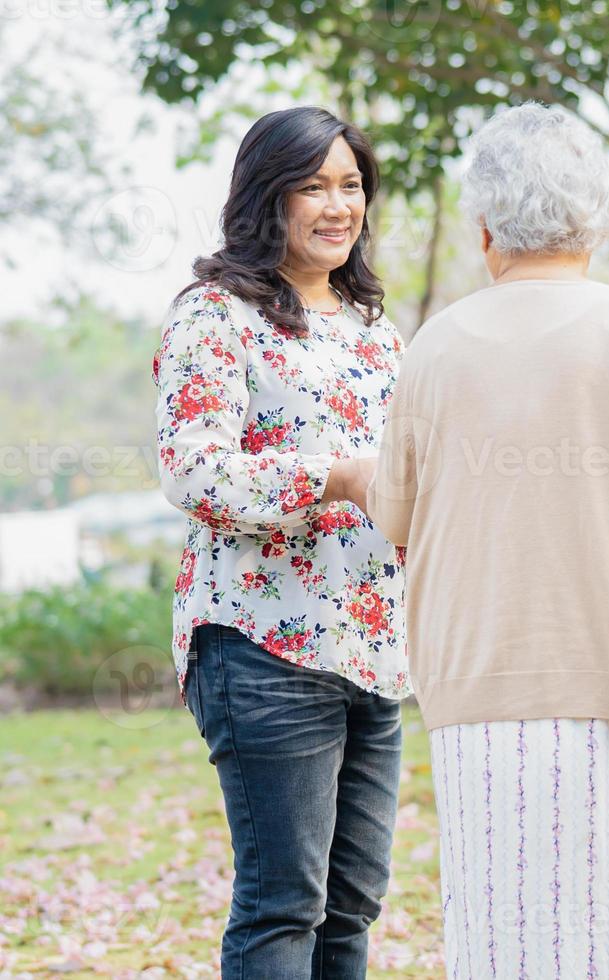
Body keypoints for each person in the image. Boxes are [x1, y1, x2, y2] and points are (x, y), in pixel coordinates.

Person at [366, 101, 609, 977]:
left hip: (478, 697)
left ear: (487, 226)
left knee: (507, 937)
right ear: (596, 220)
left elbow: (394, 518)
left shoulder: (431, 349)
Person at [152, 105, 410, 979]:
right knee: (283, 905)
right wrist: (335, 477)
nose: (339, 206)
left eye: (351, 185)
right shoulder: (214, 316)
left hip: (375, 650)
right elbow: (196, 472)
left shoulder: (374, 329)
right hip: (264, 649)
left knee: (351, 908)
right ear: (268, 198)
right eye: (313, 186)